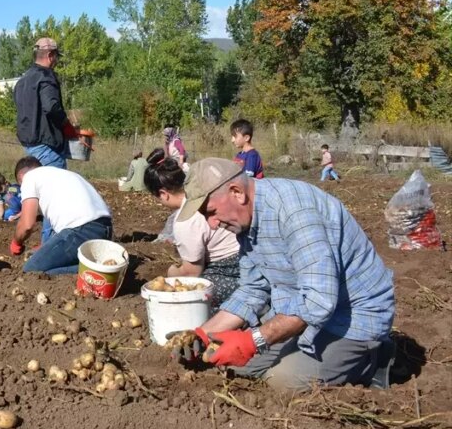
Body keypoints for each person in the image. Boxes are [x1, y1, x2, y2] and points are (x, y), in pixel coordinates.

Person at [171, 158, 395, 391]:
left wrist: (252, 341)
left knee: (281, 381)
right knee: (236, 366)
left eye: (211, 212)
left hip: (351, 318)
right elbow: (252, 289)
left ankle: (373, 359)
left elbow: (318, 299)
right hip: (302, 312)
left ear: (237, 192)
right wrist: (203, 334)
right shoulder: (246, 221)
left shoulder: (294, 212)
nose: (212, 224)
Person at [142, 148, 240, 309]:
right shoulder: (204, 194)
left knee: (193, 300)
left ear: (163, 193)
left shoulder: (185, 220)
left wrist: (172, 273)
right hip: (247, 256)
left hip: (230, 270)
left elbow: (192, 273)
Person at [14, 37, 77, 242]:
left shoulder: (23, 80)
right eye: (56, 56)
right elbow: (51, 106)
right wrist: (67, 126)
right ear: (50, 55)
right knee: (55, 195)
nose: (57, 60)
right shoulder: (46, 77)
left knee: (41, 192)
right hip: (47, 145)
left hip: (30, 145)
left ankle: (45, 240)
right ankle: (50, 243)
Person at [9, 157, 113, 275]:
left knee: (31, 270)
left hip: (79, 232)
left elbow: (27, 225)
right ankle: (99, 264)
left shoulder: (29, 178)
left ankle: (98, 271)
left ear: (21, 177)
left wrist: (16, 242)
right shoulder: (66, 175)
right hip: (105, 230)